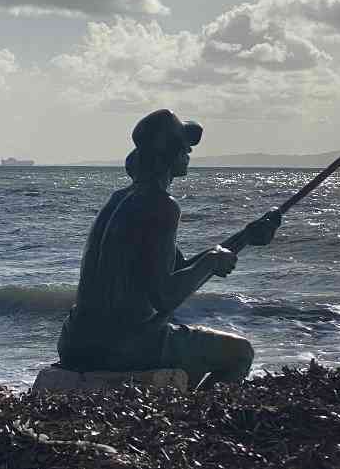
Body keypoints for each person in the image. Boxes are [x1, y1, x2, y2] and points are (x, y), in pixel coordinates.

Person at [57, 109, 281, 389]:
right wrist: (212, 262)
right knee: (240, 353)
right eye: (185, 148)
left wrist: (246, 236)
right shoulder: (162, 205)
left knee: (193, 347)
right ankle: (199, 422)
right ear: (171, 155)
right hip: (124, 347)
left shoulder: (120, 200)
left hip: (74, 342)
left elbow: (177, 270)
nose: (188, 154)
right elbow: (165, 296)